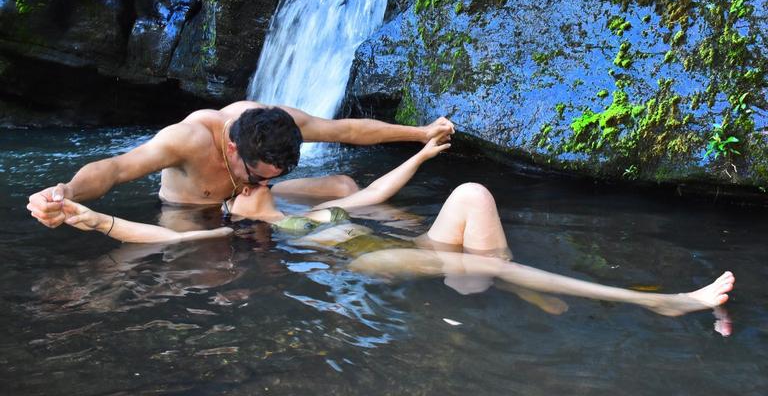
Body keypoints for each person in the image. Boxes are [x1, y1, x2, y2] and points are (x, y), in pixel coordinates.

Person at [58, 139, 735, 321]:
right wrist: (92, 216)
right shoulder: (236, 224)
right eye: (255, 180)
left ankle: (507, 284)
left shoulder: (284, 199)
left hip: (397, 244)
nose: (260, 183)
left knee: (471, 191)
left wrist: (419, 154)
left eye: (265, 177)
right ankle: (663, 303)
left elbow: (372, 192)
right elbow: (165, 240)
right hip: (374, 262)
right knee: (493, 266)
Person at [27, 101, 455, 228]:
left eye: (275, 178)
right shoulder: (188, 139)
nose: (265, 184)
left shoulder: (273, 121)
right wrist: (65, 193)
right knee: (212, 274)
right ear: (233, 149)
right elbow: (117, 169)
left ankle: (418, 234)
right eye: (259, 176)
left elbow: (346, 131)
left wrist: (420, 134)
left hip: (242, 204)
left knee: (344, 185)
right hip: (190, 215)